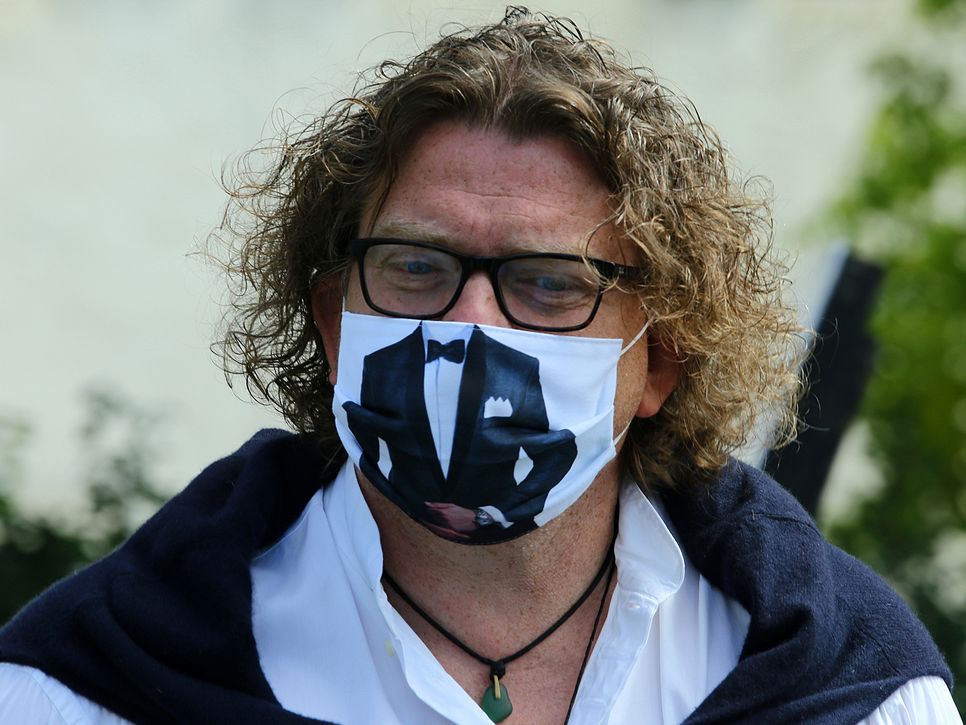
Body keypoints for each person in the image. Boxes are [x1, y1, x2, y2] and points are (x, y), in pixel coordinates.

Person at [0, 8, 959, 724]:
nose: (467, 324)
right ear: (335, 324)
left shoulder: (855, 691)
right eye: (416, 267)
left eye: (549, 284)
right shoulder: (83, 689)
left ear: (661, 359)